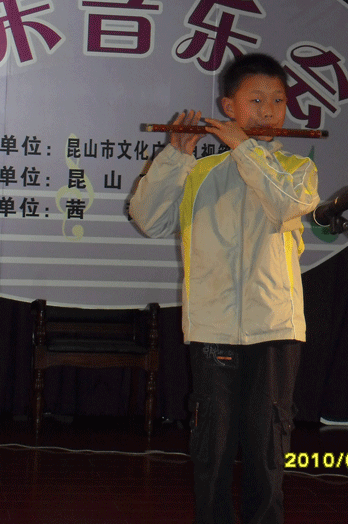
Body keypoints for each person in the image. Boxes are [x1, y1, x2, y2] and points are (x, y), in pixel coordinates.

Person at [129, 53, 319, 524]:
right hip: (212, 326)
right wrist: (175, 156)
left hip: (274, 326)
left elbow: (286, 206)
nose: (268, 110)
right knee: (211, 449)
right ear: (228, 107)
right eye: (256, 100)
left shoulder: (296, 167)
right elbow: (148, 219)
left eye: (278, 100)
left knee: (268, 447)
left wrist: (245, 148)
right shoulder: (198, 171)